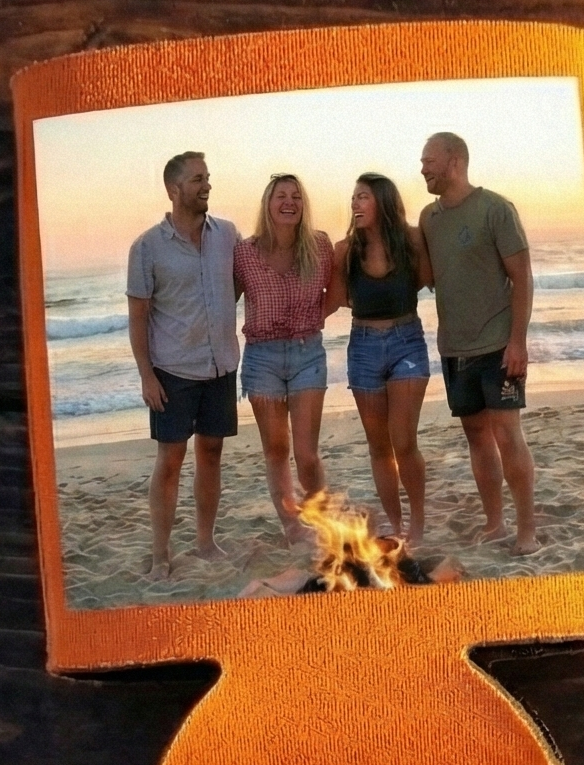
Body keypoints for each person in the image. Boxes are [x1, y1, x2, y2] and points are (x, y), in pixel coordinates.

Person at [418, 133, 540, 554]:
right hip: (454, 349)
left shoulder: (495, 209)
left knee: (508, 435)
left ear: (454, 161)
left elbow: (522, 276)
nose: (423, 169)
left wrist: (518, 343)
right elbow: (430, 277)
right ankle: (495, 523)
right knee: (476, 437)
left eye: (429, 160)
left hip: (497, 346)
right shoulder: (428, 219)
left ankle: (527, 530)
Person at [126, 151, 240, 577]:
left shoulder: (227, 234)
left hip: (221, 367)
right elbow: (138, 315)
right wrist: (146, 375)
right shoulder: (147, 247)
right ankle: (160, 554)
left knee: (211, 453)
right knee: (170, 461)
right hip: (173, 372)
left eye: (207, 177)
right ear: (174, 189)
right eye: (197, 179)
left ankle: (206, 542)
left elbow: (237, 287)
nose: (206, 185)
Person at [233, 174, 336, 539]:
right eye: (281, 196)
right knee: (277, 450)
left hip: (308, 353)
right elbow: (223, 299)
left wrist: (314, 319)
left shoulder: (320, 246)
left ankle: (320, 521)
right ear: (268, 203)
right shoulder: (244, 252)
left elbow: (338, 290)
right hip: (262, 358)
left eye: (295, 196)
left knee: (307, 453)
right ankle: (293, 527)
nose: (289, 202)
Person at [334, 174, 433, 545]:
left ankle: (418, 522)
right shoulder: (345, 250)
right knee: (379, 446)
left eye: (363, 197)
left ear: (383, 202)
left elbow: (426, 279)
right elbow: (337, 300)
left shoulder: (410, 240)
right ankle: (396, 523)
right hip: (362, 346)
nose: (356, 204)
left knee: (404, 441)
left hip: (407, 341)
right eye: (354, 198)